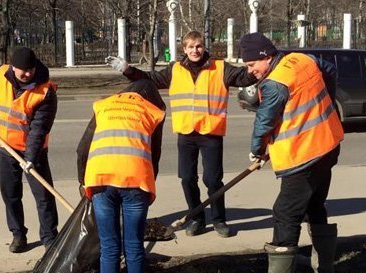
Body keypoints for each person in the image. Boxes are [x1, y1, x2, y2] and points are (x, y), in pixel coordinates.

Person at [105, 30, 257, 238]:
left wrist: (259, 63)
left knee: (213, 180)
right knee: (187, 178)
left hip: (210, 132)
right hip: (186, 133)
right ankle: (196, 218)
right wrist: (127, 69)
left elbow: (244, 77)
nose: (195, 51)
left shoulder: (219, 67)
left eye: (199, 46)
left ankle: (219, 219)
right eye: (191, 47)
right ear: (184, 49)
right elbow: (149, 79)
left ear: (204, 47)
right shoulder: (175, 69)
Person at [236, 32, 344, 273]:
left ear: (266, 56)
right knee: (314, 205)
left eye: (252, 66)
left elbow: (264, 122)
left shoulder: (274, 84)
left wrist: (256, 151)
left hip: (305, 155)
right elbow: (330, 69)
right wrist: (325, 102)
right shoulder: (300, 59)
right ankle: (325, 267)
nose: (251, 72)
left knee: (285, 212)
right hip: (328, 144)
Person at [76, 80, 166, 273]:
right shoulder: (153, 111)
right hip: (136, 180)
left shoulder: (104, 106)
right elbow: (154, 154)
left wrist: (82, 181)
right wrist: (148, 185)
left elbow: (82, 148)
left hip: (101, 179)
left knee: (109, 244)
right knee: (134, 243)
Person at [0, 47, 59, 253]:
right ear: (12, 67)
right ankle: (18, 235)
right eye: (22, 70)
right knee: (11, 194)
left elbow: (39, 129)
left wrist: (31, 158)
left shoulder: (45, 92)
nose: (27, 74)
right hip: (4, 147)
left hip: (34, 153)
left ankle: (50, 237)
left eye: (30, 70)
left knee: (44, 196)